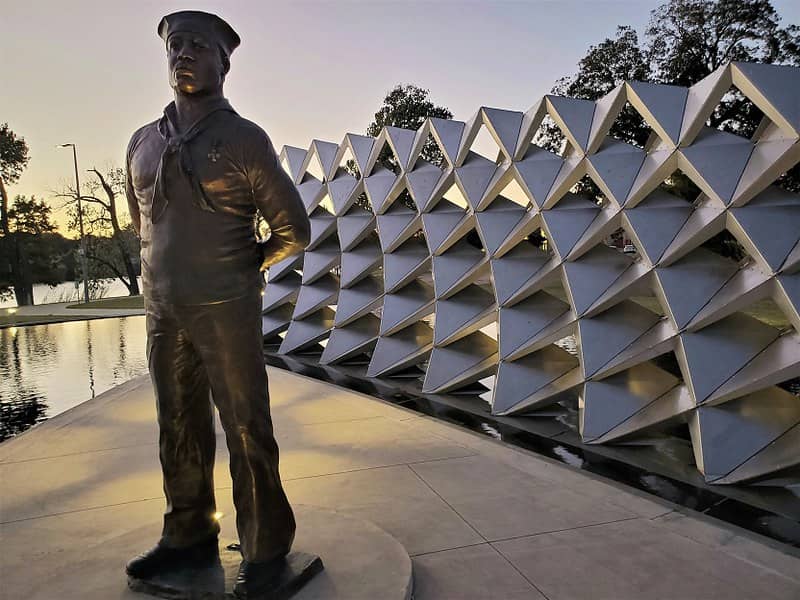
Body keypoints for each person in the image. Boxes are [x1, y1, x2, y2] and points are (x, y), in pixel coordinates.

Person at [123, 10, 310, 597]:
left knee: (246, 426)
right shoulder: (143, 141)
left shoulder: (243, 138)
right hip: (163, 308)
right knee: (175, 422)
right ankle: (187, 534)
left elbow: (293, 230)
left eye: (197, 46)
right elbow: (145, 226)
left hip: (226, 305)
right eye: (175, 46)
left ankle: (265, 545)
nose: (183, 54)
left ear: (223, 62)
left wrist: (246, 265)